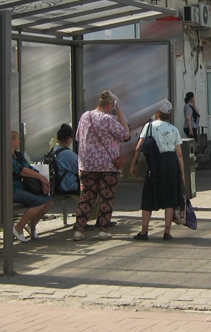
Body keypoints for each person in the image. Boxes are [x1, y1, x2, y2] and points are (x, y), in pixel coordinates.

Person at [73, 90, 130, 241]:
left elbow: (79, 136)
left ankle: (79, 229)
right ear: (111, 105)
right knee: (106, 197)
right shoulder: (109, 119)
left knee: (86, 196)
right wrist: (121, 115)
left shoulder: (85, 116)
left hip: (86, 164)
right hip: (108, 165)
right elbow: (126, 135)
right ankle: (103, 229)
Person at [130, 101, 184, 241]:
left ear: (157, 113)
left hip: (155, 164)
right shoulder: (174, 129)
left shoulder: (149, 127)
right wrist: (182, 173)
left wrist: (133, 164)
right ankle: (166, 232)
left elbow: (138, 147)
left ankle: (144, 232)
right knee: (170, 197)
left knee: (148, 196)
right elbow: (179, 154)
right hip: (171, 163)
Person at [10, 130, 53, 242]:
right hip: (11, 190)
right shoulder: (6, 157)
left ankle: (31, 225)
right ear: (11, 141)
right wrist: (40, 177)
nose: (19, 142)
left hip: (22, 187)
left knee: (48, 200)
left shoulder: (18, 155)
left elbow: (28, 167)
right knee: (38, 202)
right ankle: (18, 228)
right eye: (17, 139)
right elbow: (21, 170)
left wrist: (42, 180)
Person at [51, 123, 79, 197]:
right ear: (68, 138)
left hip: (56, 185)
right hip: (68, 186)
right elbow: (80, 167)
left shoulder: (54, 149)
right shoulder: (67, 154)